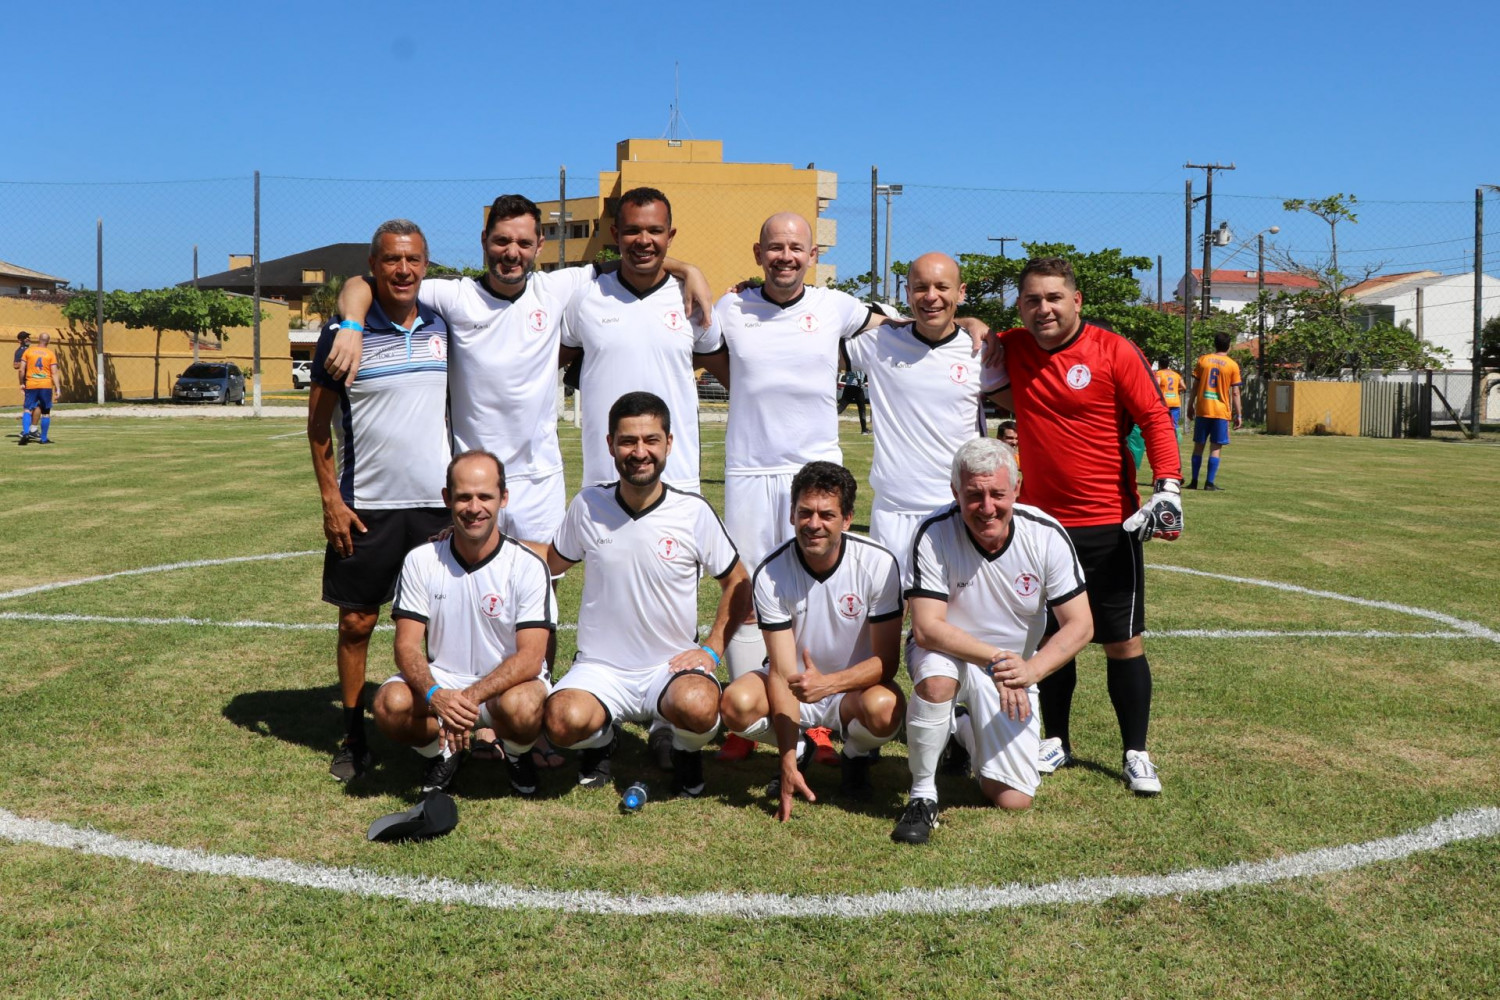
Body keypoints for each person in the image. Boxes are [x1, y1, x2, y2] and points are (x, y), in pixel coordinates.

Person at [988, 256, 1182, 795]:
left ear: (1076, 301)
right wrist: (981, 328)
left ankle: (1136, 752)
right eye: (1032, 300)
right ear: (1020, 307)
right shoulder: (1017, 347)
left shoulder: (1113, 349)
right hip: (1042, 526)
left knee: (1123, 642)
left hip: (1109, 524)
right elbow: (971, 332)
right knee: (1052, 638)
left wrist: (1167, 484)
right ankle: (1058, 740)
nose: (1043, 308)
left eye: (1053, 298)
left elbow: (1154, 419)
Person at [537, 391, 751, 797]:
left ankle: (684, 748)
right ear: (610, 445)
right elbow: (550, 561)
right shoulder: (588, 506)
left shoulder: (693, 512)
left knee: (701, 705)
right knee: (562, 721)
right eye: (628, 441)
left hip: (669, 668)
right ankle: (602, 742)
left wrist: (712, 649)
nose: (640, 452)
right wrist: (478, 540)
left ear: (669, 443)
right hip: (602, 668)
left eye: (651, 440)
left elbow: (739, 582)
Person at [307, 219, 451, 784]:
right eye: (392, 259)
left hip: (439, 509)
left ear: (426, 264)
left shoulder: (446, 328)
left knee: (440, 628)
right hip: (366, 506)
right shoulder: (345, 335)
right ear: (374, 266)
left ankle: (441, 726)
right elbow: (318, 427)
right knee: (357, 624)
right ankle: (352, 733)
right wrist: (329, 500)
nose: (403, 269)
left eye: (414, 259)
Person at [892, 438, 1092, 844]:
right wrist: (998, 661)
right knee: (936, 677)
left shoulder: (1046, 534)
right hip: (949, 653)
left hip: (1013, 671)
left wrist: (1029, 670)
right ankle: (923, 795)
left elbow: (1080, 625)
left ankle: (961, 729)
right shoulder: (932, 533)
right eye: (973, 495)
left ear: (1017, 487)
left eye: (997, 493)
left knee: (1012, 798)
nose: (986, 507)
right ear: (955, 494)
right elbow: (928, 628)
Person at [719, 462, 904, 819]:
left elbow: (887, 661)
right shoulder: (772, 572)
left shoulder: (878, 564)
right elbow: (780, 671)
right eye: (804, 512)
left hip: (853, 690)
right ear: (791, 515)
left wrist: (829, 684)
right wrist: (786, 759)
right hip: (793, 687)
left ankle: (855, 753)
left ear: (847, 519)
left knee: (886, 710)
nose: (813, 523)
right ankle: (800, 746)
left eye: (826, 514)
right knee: (735, 704)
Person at [373, 450, 556, 797]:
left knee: (525, 706)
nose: (474, 508)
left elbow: (532, 658)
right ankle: (443, 752)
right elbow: (406, 646)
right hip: (445, 681)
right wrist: (435, 694)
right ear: (447, 499)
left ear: (503, 498)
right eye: (464, 497)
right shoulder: (421, 560)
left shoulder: (529, 565)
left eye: (485, 496)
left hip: (507, 687)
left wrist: (464, 701)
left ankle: (517, 754)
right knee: (388, 704)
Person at [842, 252, 999, 579]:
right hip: (894, 511)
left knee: (957, 618)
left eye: (942, 287)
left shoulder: (980, 351)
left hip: (958, 509)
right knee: (886, 616)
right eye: (920, 287)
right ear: (906, 293)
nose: (931, 296)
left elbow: (1028, 403)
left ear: (961, 292)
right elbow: (807, 344)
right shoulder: (879, 342)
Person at [561, 188, 726, 494]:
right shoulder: (586, 298)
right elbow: (545, 365)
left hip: (677, 479)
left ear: (670, 235)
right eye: (633, 230)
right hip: (604, 480)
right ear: (615, 233)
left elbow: (736, 379)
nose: (644, 240)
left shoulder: (691, 301)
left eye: (655, 230)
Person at [1187, 333, 1243, 491]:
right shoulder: (1232, 365)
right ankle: (1209, 483)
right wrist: (1238, 414)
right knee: (1215, 447)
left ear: (1214, 344)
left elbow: (1195, 387)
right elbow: (1236, 393)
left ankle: (1194, 481)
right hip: (1220, 411)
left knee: (1199, 446)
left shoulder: (1203, 360)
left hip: (1203, 409)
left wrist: (1190, 405)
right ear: (1229, 345)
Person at [17, 332, 59, 446]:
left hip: (31, 384)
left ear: (38, 340)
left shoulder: (28, 351)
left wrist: (21, 383)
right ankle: (44, 439)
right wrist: (58, 389)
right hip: (45, 385)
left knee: (27, 409)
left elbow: (21, 369)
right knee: (45, 412)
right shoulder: (50, 354)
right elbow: (54, 372)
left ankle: (26, 432)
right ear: (48, 341)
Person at [1156, 355, 1185, 436]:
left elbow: (1157, 385)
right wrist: (1176, 390)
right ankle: (1175, 442)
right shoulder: (1176, 374)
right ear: (1168, 363)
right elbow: (1184, 387)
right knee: (1174, 425)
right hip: (1175, 402)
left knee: (1162, 424)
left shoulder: (1159, 373)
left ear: (1160, 364)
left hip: (1164, 403)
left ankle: (1164, 442)